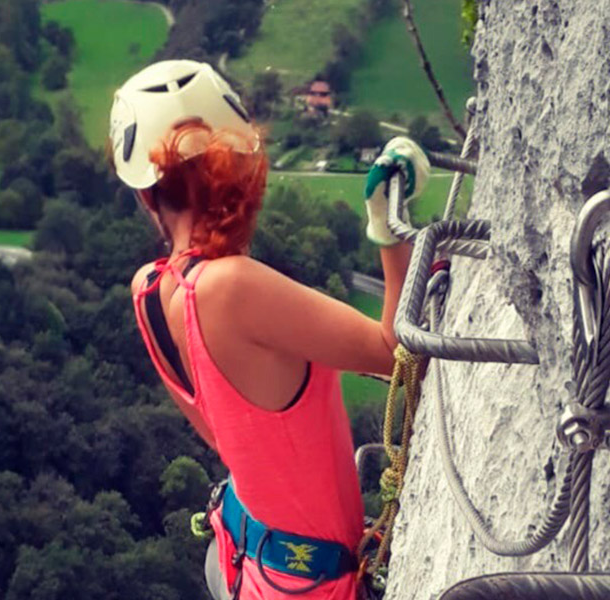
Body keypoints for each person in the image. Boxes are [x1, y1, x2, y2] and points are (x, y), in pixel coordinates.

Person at [108, 60, 429, 600]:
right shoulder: (232, 288)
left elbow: (225, 433)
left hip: (249, 555)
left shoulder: (147, 291)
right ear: (238, 167)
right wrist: (388, 227)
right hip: (314, 581)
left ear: (146, 195)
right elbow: (394, 350)